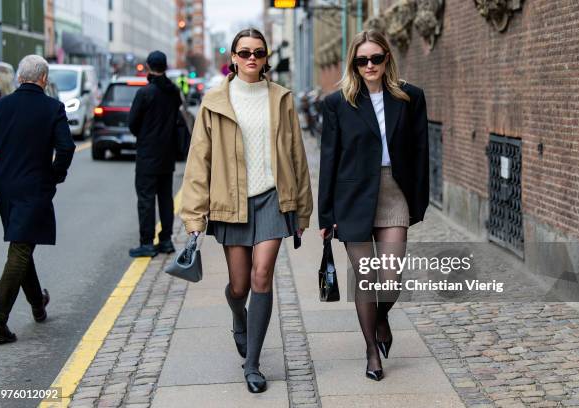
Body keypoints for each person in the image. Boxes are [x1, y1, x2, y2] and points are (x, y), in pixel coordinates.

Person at [180, 28, 312, 393]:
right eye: (244, 52)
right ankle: (239, 316)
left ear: (266, 57)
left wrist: (302, 212)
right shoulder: (214, 101)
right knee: (239, 287)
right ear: (234, 58)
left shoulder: (281, 99)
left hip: (272, 197)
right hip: (230, 202)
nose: (251, 57)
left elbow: (297, 156)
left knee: (262, 275)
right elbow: (198, 162)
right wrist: (194, 217)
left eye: (258, 52)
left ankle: (252, 363)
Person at [318, 30, 429, 380]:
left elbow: (421, 152)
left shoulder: (410, 97)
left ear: (386, 59)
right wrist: (326, 214)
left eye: (376, 58)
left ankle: (380, 318)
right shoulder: (338, 103)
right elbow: (329, 159)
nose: (370, 65)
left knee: (391, 279)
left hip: (393, 193)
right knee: (366, 278)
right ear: (354, 63)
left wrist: (419, 200)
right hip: (352, 198)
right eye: (362, 60)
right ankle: (371, 351)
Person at [0, 55, 75, 343]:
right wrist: (55, 176)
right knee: (21, 248)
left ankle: (38, 303)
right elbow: (66, 147)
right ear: (43, 79)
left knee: (21, 242)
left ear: (19, 77)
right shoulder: (52, 108)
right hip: (34, 186)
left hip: (4, 188)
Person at [128, 51, 182, 258]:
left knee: (146, 199)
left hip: (147, 154)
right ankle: (166, 240)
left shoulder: (145, 93)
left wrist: (143, 135)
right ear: (165, 67)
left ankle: (147, 243)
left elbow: (133, 123)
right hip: (167, 154)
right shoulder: (173, 91)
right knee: (165, 198)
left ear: (149, 67)